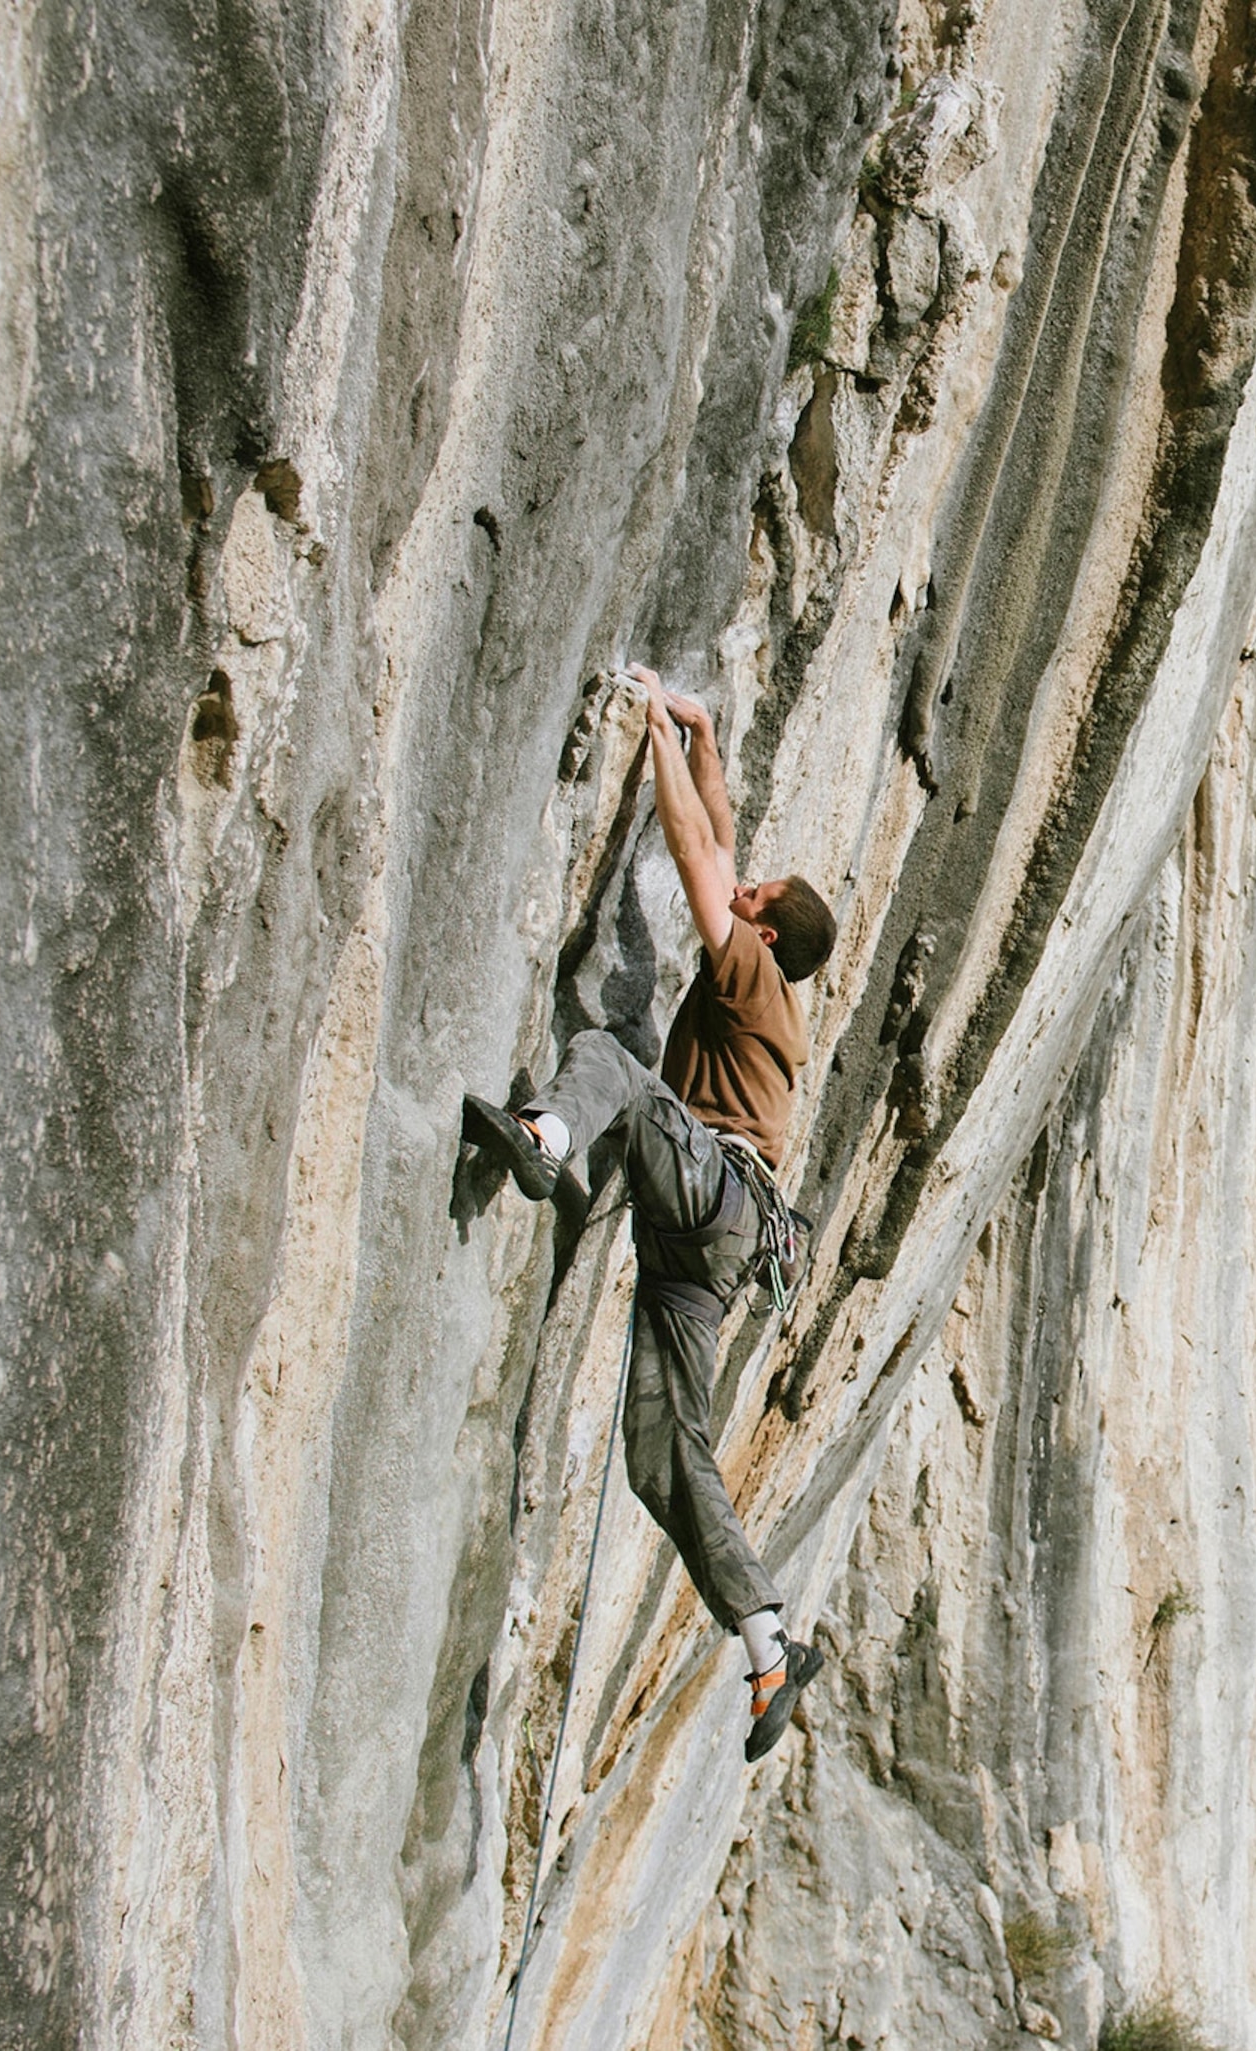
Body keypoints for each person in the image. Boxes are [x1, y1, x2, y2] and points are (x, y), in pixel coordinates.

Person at [462, 665, 839, 1763]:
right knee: (661, 1459)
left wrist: (651, 729)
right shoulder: (759, 986)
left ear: (764, 935)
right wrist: (706, 731)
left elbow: (694, 858)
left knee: (615, 1066)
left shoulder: (752, 978)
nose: (743, 888)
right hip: (712, 1244)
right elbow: (721, 835)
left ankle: (548, 1140)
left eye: (757, 900)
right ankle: (768, 1639)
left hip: (712, 1191)